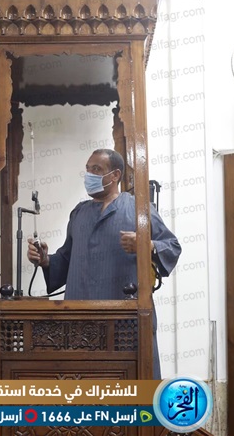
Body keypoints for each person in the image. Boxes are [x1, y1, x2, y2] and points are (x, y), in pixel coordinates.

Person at [27, 148, 181, 378]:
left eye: (96, 169)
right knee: (83, 382)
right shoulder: (79, 213)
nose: (89, 175)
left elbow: (172, 246)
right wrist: (45, 260)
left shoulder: (139, 210)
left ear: (115, 175)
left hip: (125, 321)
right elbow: (67, 258)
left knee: (130, 381)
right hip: (80, 319)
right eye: (88, 169)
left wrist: (146, 244)